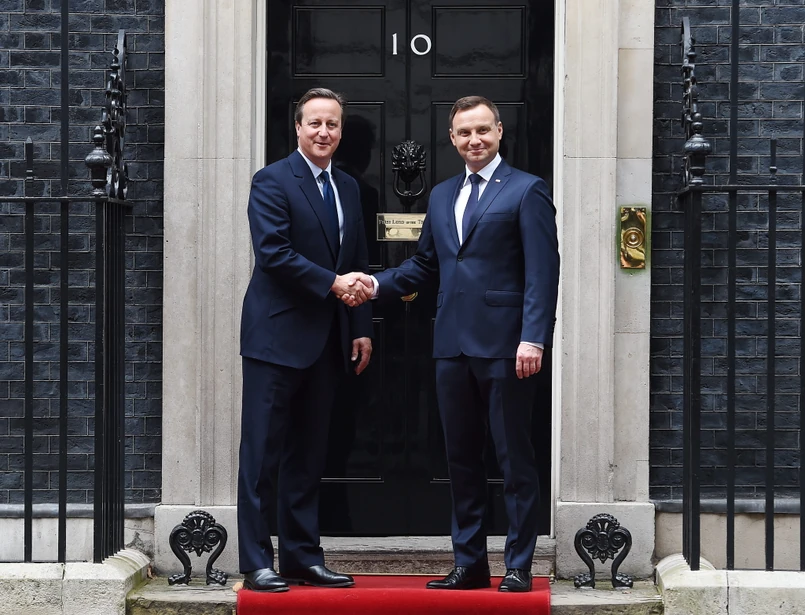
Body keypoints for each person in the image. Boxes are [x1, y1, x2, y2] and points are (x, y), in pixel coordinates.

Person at [348, 96, 559, 593]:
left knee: (514, 460)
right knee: (460, 461)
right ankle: (470, 563)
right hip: (451, 346)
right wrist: (374, 285)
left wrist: (533, 338)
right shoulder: (442, 195)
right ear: (452, 138)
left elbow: (542, 272)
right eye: (465, 133)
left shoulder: (527, 190)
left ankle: (519, 565)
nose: (474, 140)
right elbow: (426, 264)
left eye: (483, 130)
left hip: (507, 347)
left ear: (500, 132)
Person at [238, 87, 374, 592]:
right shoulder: (272, 180)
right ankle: (256, 561)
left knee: (308, 457)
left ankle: (301, 557)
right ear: (297, 127)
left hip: (328, 340)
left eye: (332, 124)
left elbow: (357, 258)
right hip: (276, 338)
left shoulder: (349, 188)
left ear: (341, 131)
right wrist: (333, 284)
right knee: (261, 456)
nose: (323, 132)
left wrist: (361, 327)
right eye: (314, 123)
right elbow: (273, 253)